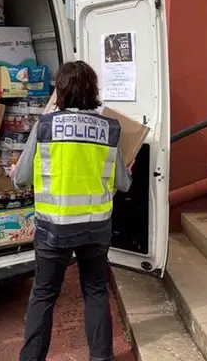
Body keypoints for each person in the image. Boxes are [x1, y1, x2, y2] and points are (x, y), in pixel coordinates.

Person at [10, 61, 132, 361]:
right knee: (95, 291)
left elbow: (22, 178)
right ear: (93, 90)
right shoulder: (109, 129)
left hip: (54, 229)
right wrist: (126, 170)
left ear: (61, 91)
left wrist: (15, 172)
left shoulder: (45, 126)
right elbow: (123, 184)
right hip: (96, 228)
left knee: (43, 294)